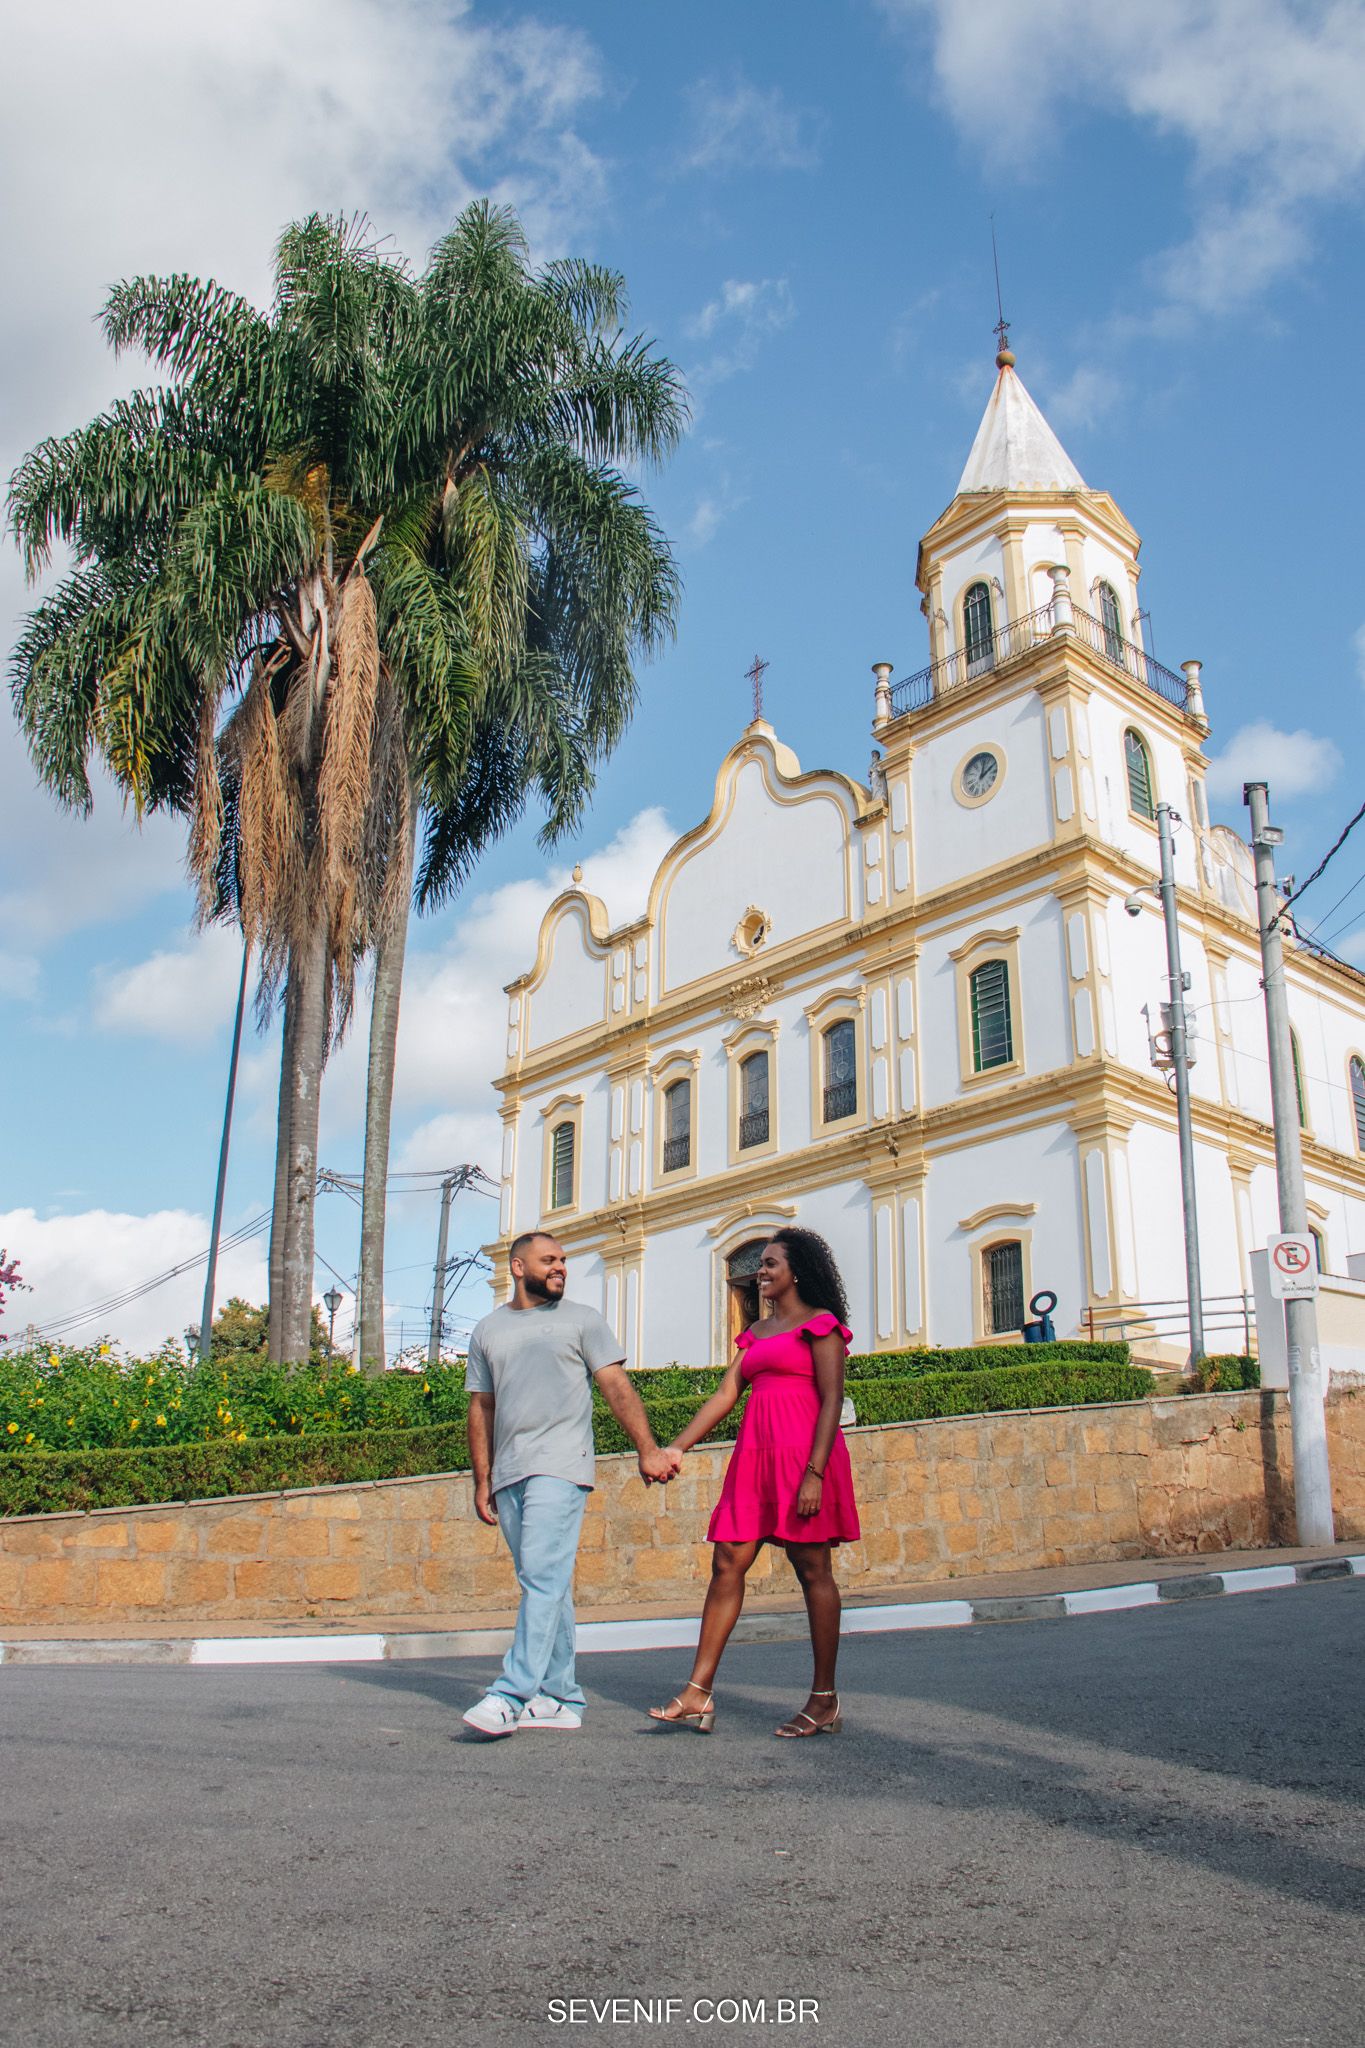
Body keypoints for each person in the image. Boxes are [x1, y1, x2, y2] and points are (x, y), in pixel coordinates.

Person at [462, 1231, 681, 1737]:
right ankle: (560, 1697)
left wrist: (648, 1449)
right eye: (549, 1260)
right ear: (518, 1267)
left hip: (562, 1464)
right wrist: (483, 1477)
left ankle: (510, 1693)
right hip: (510, 1471)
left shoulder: (582, 1320)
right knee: (548, 1584)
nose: (561, 1267)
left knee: (540, 1576)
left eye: (563, 1260)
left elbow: (615, 1386)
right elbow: (481, 1406)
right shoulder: (488, 1329)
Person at [649, 1227, 860, 1739]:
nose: (760, 1271)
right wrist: (677, 1446)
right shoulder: (756, 1333)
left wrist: (814, 1474)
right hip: (755, 1459)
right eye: (759, 1264)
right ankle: (698, 1691)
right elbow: (726, 1396)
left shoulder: (822, 1325)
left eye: (770, 1264)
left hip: (803, 1460)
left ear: (796, 1271)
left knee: (813, 1571)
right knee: (727, 1561)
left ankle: (824, 1699)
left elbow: (832, 1400)